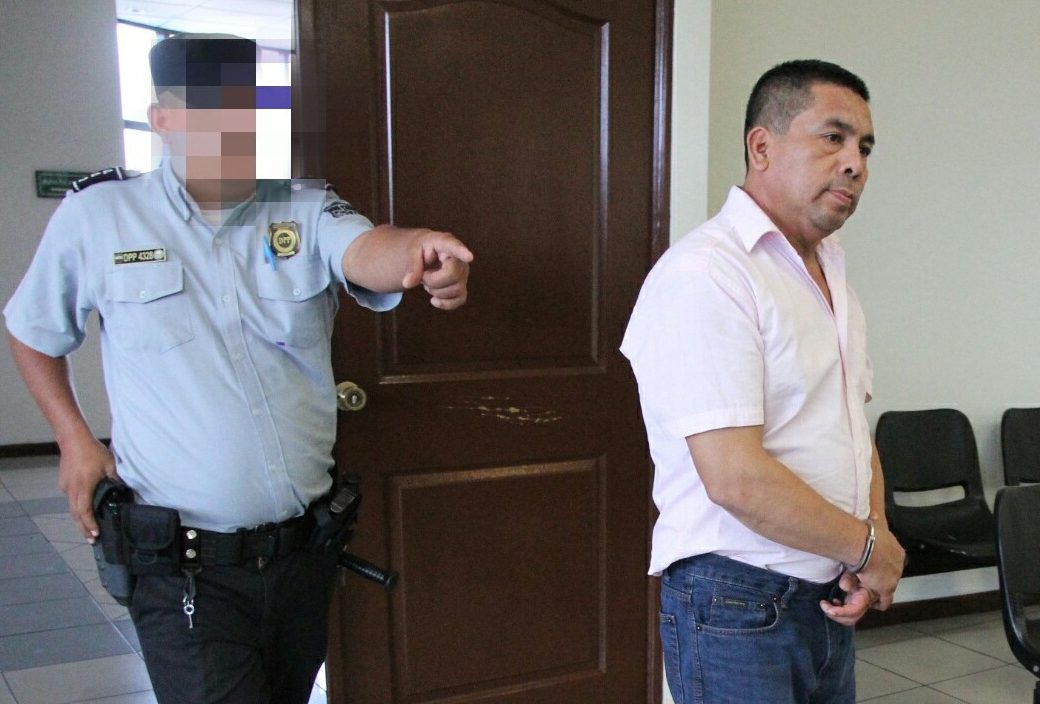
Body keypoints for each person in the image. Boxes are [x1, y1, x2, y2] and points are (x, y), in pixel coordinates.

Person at [4, 35, 472, 704]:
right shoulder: (100, 215)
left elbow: (369, 248)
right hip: (183, 568)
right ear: (163, 119)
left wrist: (419, 250)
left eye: (248, 110)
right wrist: (74, 439)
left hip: (301, 558)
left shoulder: (304, 207)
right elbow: (32, 332)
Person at [620, 59, 905, 703]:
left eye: (864, 147)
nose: (855, 163)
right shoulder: (708, 273)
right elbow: (735, 477)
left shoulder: (829, 274)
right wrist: (868, 549)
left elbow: (851, 432)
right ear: (762, 146)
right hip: (737, 600)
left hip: (827, 589)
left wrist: (873, 537)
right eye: (832, 137)